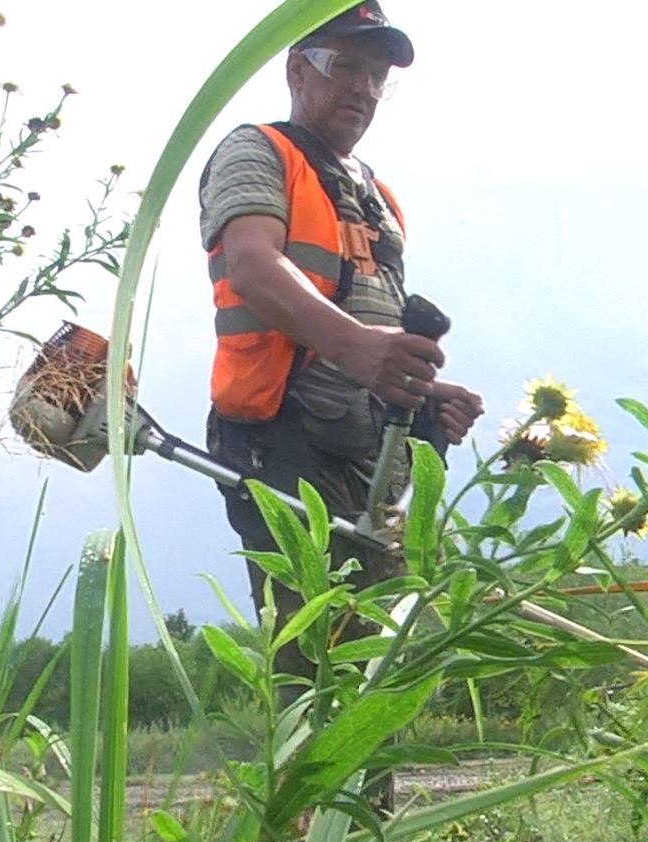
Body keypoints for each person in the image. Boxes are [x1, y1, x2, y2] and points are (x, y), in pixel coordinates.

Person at [200, 2, 484, 702]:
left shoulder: (377, 195)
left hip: (367, 454)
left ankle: (356, 813)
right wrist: (357, 349)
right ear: (299, 68)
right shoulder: (258, 150)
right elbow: (251, 264)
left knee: (371, 662)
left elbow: (374, 324)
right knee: (318, 661)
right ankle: (309, 811)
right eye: (347, 66)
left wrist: (419, 390)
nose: (364, 88)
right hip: (284, 444)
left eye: (378, 76)